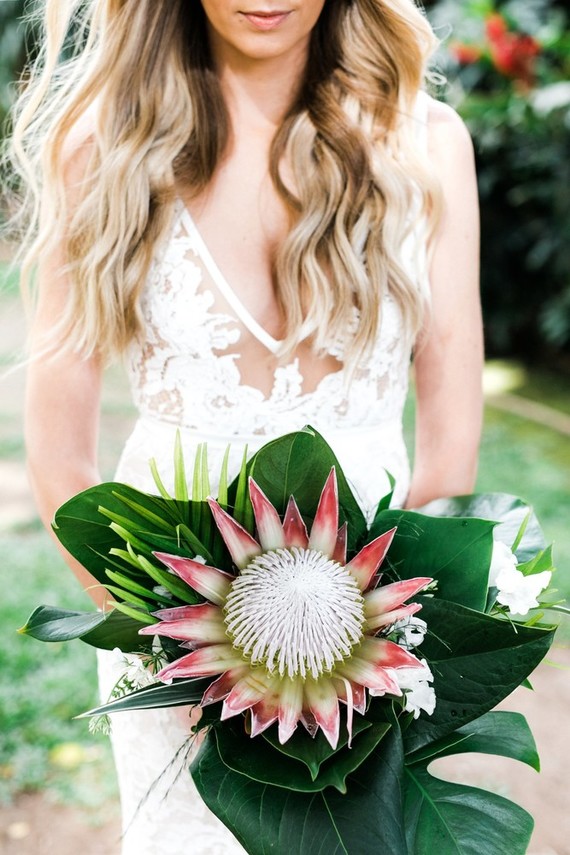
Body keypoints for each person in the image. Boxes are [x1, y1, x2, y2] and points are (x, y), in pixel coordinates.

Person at [9, 0, 483, 851]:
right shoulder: (103, 148)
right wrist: (172, 649)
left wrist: (384, 642)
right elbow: (59, 455)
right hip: (170, 620)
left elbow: (451, 442)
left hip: (371, 630)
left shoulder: (428, 146)